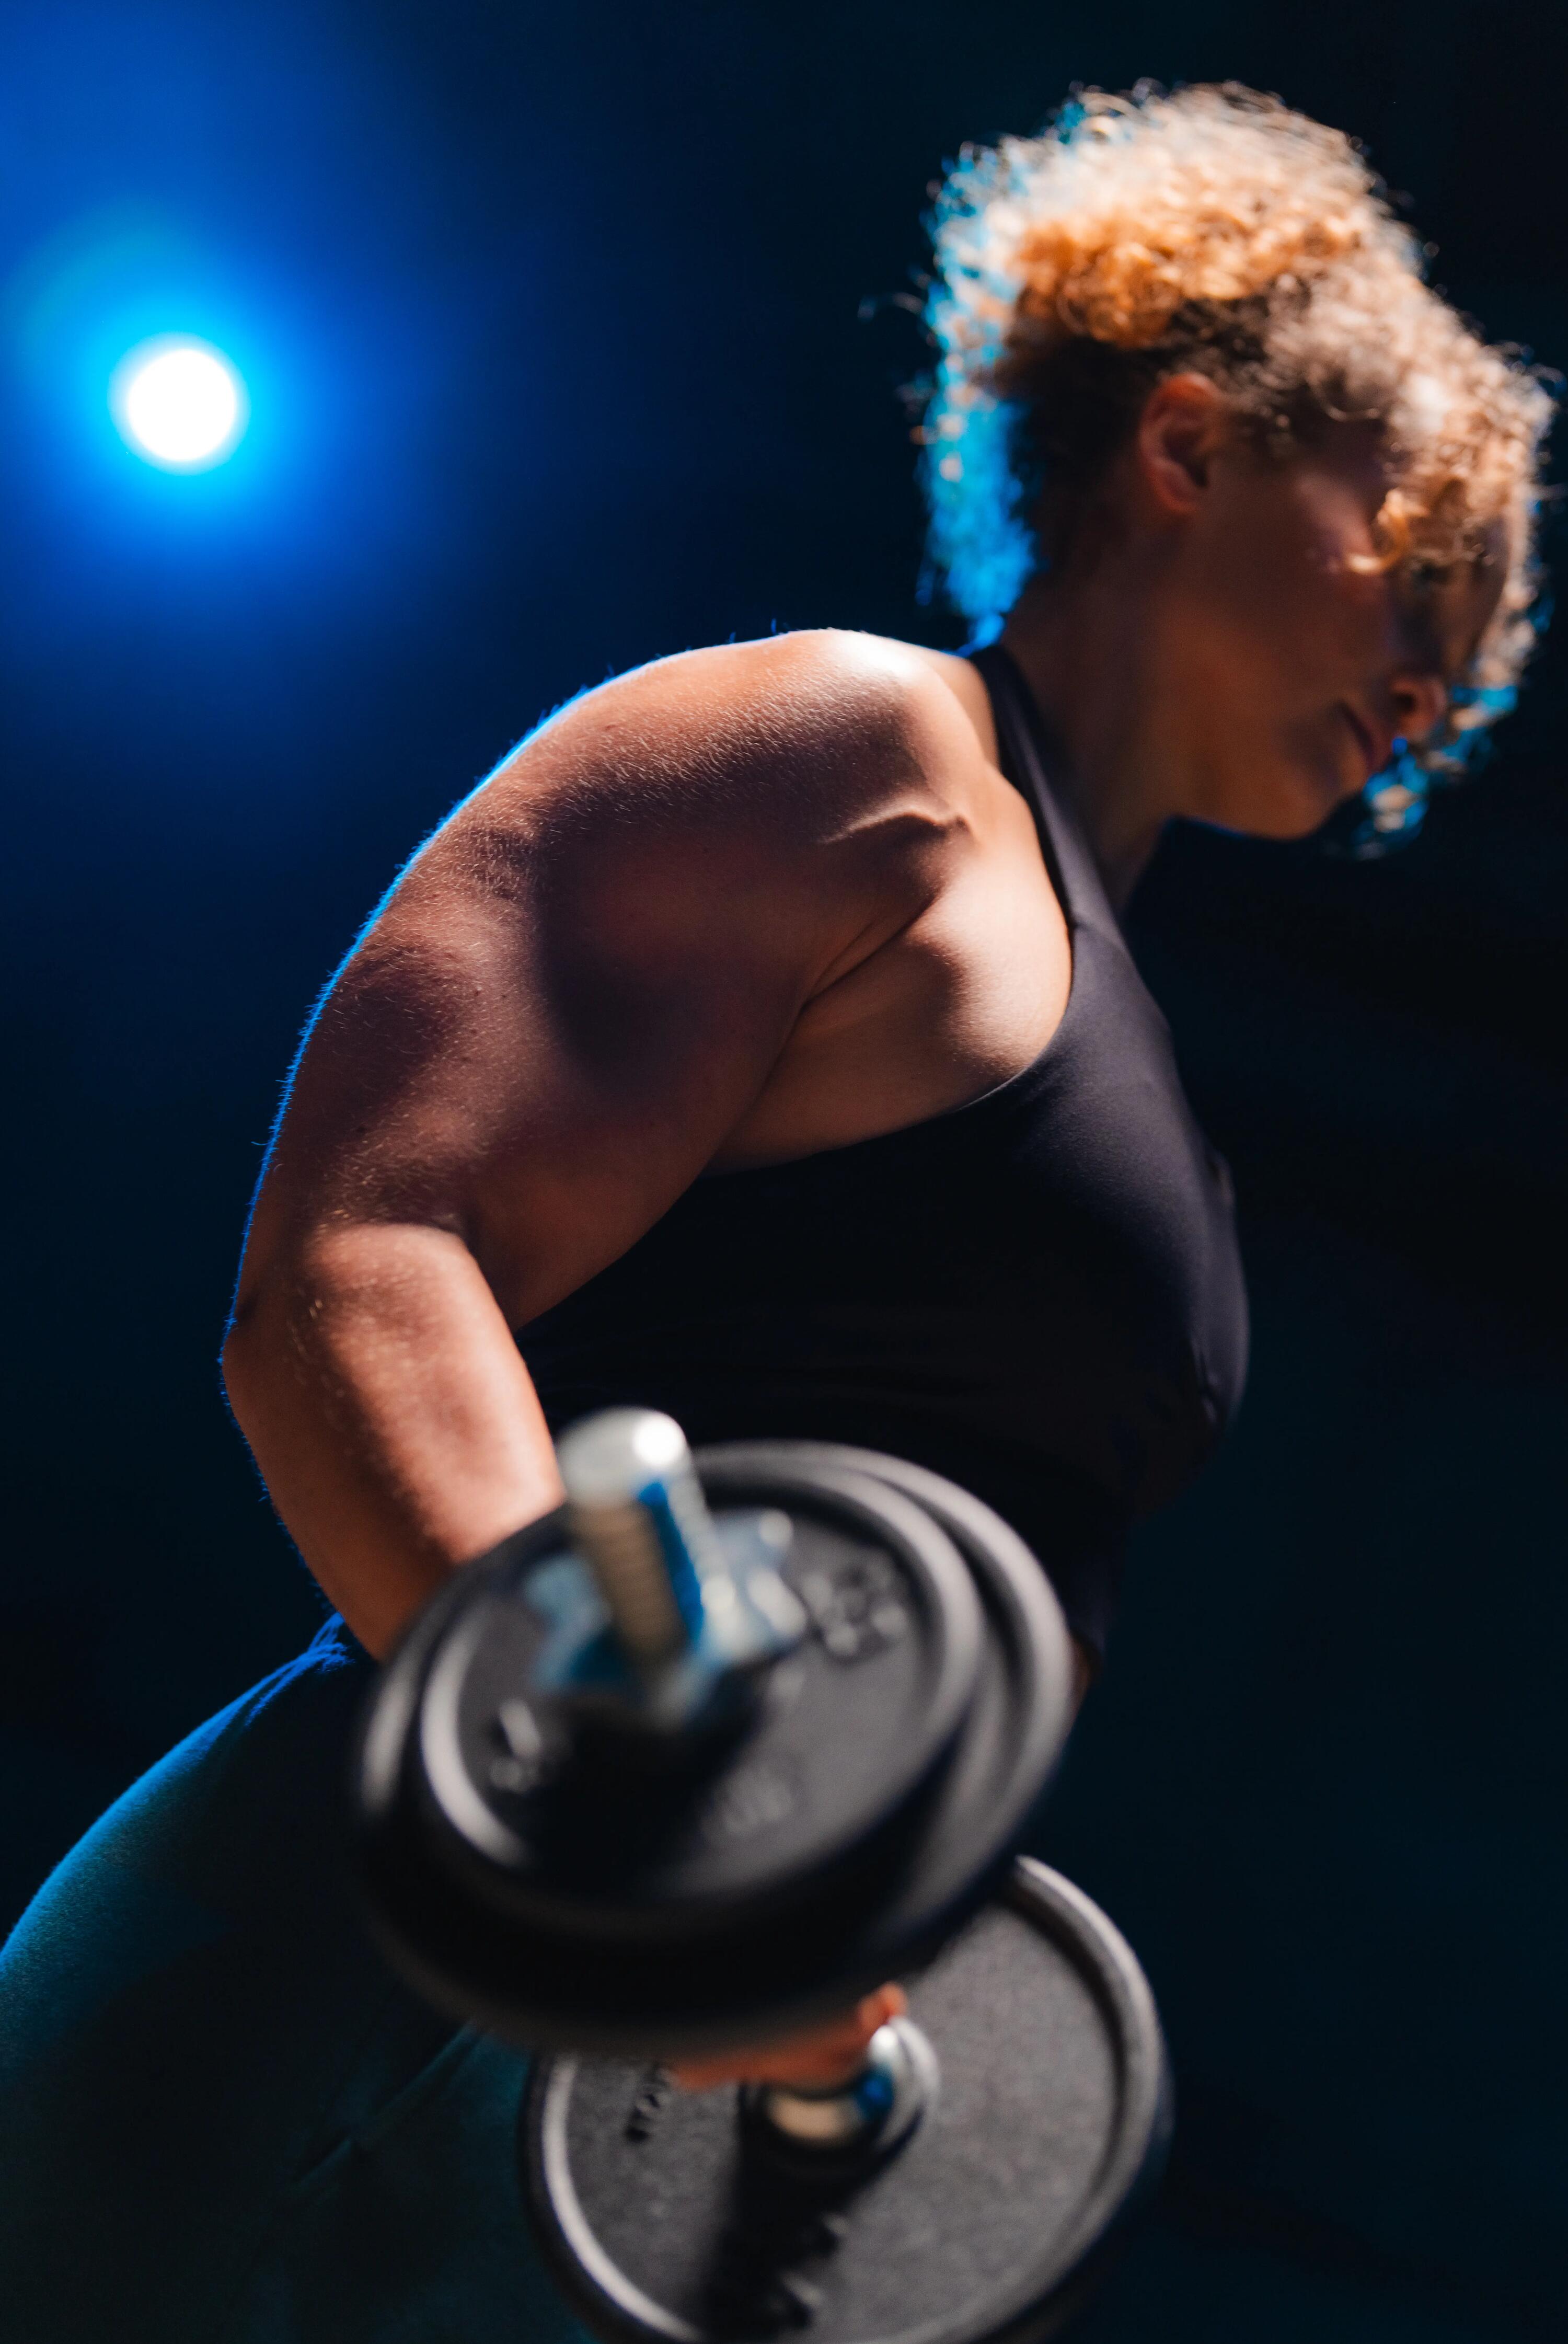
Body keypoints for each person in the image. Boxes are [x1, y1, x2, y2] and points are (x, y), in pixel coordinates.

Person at [0, 83, 1550, 2343]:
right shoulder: (864, 758)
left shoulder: (1144, 1077)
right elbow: (363, 1263)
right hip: (358, 1972)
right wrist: (654, 1846)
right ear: (1190, 444)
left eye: (1476, 651)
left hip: (621, 2104)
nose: (1437, 674)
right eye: (1412, 554)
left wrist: (777, 1933)